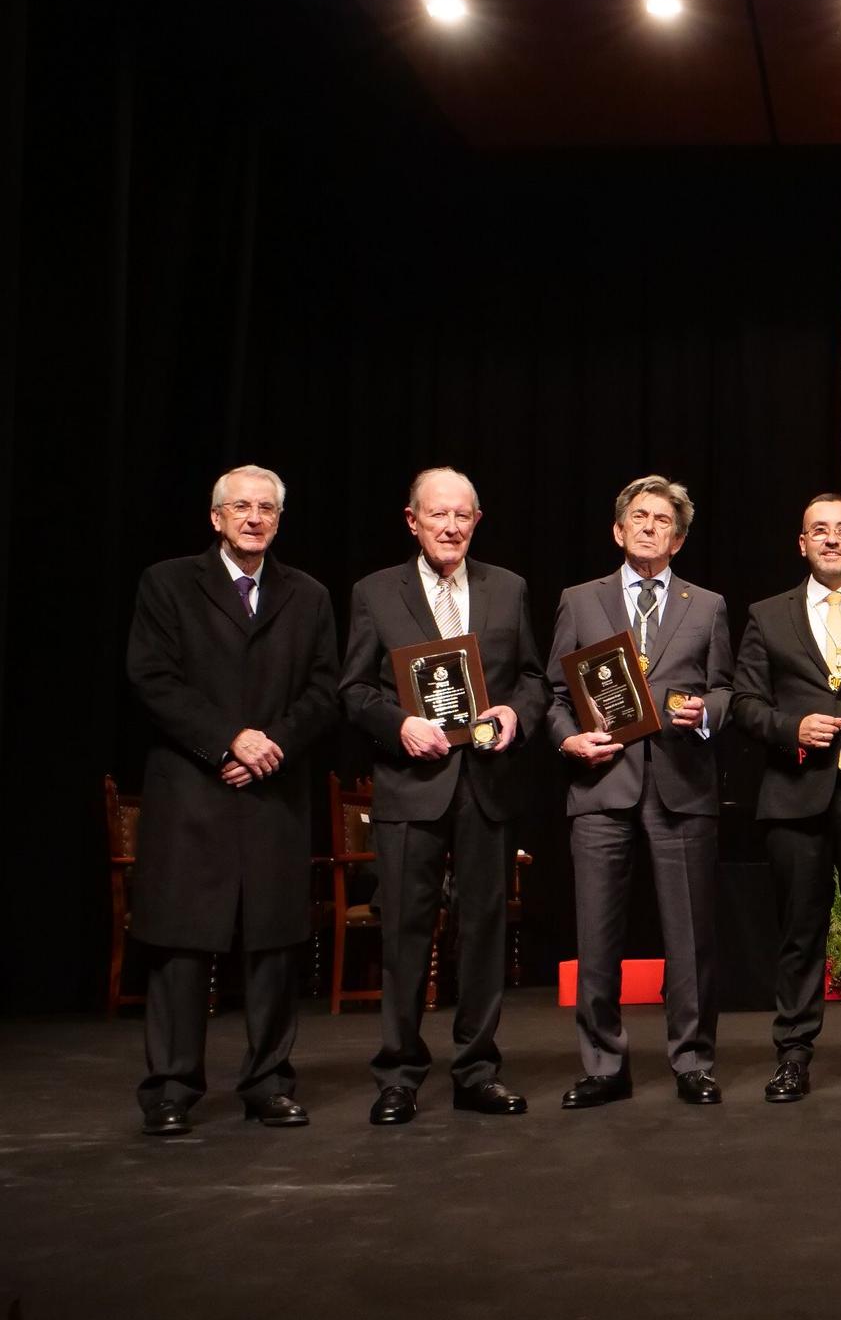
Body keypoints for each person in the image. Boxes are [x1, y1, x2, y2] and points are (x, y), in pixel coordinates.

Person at [125, 466, 340, 1136]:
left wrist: (268, 743)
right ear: (215, 518)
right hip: (195, 789)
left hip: (272, 791)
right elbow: (151, 677)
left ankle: (269, 1083)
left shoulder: (307, 594)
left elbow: (325, 688)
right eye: (241, 506)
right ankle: (170, 1087)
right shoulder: (168, 583)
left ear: (279, 519)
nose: (254, 517)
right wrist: (227, 741)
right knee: (181, 948)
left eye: (267, 508)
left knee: (274, 947)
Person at [340, 467, 548, 1125]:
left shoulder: (508, 588)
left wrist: (517, 715)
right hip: (411, 786)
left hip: (485, 785)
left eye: (463, 515)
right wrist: (399, 724)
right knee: (403, 930)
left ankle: (477, 1069)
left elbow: (535, 680)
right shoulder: (375, 592)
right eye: (438, 515)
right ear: (412, 520)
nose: (451, 526)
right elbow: (354, 690)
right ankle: (399, 1074)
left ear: (476, 522)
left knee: (484, 931)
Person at [547, 475, 734, 1108]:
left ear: (678, 539)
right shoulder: (580, 600)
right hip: (601, 784)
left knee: (691, 936)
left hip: (682, 786)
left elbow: (726, 690)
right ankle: (603, 1066)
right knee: (597, 935)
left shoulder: (707, 605)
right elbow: (551, 696)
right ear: (618, 530)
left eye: (663, 520)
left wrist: (705, 712)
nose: (650, 527)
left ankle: (692, 1061)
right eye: (640, 517)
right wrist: (569, 739)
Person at [732, 494, 841, 1102]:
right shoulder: (767, 615)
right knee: (798, 933)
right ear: (801, 544)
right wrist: (789, 729)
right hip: (793, 795)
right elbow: (745, 703)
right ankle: (793, 1056)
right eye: (819, 531)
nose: (832, 540)